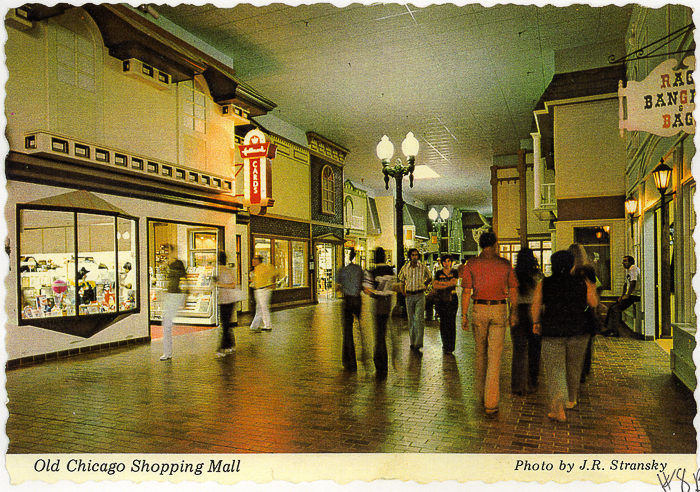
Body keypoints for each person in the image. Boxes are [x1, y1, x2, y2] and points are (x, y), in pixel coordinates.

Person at [532, 250, 598, 422]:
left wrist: (536, 323)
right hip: (579, 331)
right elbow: (593, 302)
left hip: (552, 331)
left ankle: (558, 408)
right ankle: (571, 399)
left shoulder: (545, 283)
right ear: (572, 265)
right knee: (574, 367)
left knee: (555, 370)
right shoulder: (582, 282)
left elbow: (536, 305)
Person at [461, 231, 518, 416]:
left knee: (480, 353)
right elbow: (513, 291)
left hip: (479, 308)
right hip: (499, 309)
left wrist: (463, 315)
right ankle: (491, 402)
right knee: (495, 357)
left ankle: (480, 393)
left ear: (480, 244)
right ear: (494, 244)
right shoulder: (505, 264)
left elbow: (466, 292)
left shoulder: (472, 264)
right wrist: (513, 312)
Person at [510, 248, 543, 395]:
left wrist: (512, 313)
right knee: (534, 348)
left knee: (518, 350)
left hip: (518, 311)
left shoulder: (513, 275)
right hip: (534, 312)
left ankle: (517, 384)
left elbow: (511, 297)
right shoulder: (537, 275)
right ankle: (532, 381)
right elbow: (541, 298)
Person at [568, 243, 601, 382]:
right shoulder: (588, 271)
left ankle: (573, 372)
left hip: (569, 314)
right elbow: (592, 299)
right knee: (585, 346)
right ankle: (582, 372)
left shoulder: (565, 271)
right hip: (585, 314)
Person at [363, 247, 396, 380]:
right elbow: (395, 286)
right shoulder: (391, 270)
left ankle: (380, 366)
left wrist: (375, 293)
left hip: (378, 305)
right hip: (388, 304)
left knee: (379, 336)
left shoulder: (372, 271)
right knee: (384, 334)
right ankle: (385, 365)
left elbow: (367, 290)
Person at [335, 249, 365, 371]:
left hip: (347, 301)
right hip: (357, 300)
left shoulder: (342, 270)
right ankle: (364, 353)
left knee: (347, 332)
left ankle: (349, 360)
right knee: (362, 329)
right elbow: (363, 285)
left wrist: (344, 288)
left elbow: (337, 287)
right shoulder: (359, 270)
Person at [397, 248, 432, 354]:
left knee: (419, 319)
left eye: (416, 255)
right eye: (413, 255)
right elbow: (401, 280)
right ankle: (412, 342)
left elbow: (430, 277)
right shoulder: (405, 268)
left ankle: (418, 343)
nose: (415, 257)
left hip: (420, 294)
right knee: (411, 319)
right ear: (410, 256)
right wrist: (403, 291)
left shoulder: (423, 267)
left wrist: (425, 285)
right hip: (409, 295)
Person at [160, 244, 188, 361]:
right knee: (166, 324)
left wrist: (185, 296)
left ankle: (167, 352)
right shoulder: (169, 264)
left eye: (169, 252)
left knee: (166, 324)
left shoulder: (177, 264)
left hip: (175, 296)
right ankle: (167, 352)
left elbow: (184, 280)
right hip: (171, 295)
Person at [601, 255, 640, 338]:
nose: (623, 263)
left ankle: (614, 331)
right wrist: (622, 296)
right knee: (612, 307)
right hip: (629, 295)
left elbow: (633, 283)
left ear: (630, 262)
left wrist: (627, 295)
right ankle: (609, 329)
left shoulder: (633, 269)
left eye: (625, 261)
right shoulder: (629, 271)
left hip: (634, 295)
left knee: (615, 309)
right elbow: (626, 285)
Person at [432, 254, 460, 355]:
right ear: (442, 262)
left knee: (451, 322)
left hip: (452, 299)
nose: (447, 263)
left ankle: (451, 346)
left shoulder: (454, 272)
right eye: (445, 261)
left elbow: (454, 283)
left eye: (449, 261)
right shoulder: (439, 272)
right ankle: (445, 345)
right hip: (442, 300)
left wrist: (442, 284)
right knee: (443, 323)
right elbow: (435, 285)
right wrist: (447, 284)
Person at [215, 251, 238, 358]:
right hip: (227, 300)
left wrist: (219, 284)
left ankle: (223, 348)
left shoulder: (222, 270)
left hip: (226, 300)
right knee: (226, 324)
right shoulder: (225, 270)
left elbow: (232, 285)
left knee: (225, 324)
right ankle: (230, 345)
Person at [249, 254, 278, 332]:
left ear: (258, 260)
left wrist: (272, 283)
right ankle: (254, 325)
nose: (253, 262)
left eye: (254, 260)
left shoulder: (265, 267)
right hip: (258, 290)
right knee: (259, 308)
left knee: (263, 307)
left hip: (264, 290)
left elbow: (274, 273)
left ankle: (268, 325)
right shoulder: (256, 269)